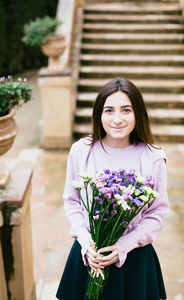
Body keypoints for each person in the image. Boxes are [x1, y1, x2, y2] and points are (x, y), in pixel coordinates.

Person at [56, 77, 169, 300]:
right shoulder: (81, 151)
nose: (117, 119)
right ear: (99, 114)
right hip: (89, 257)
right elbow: (72, 202)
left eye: (126, 110)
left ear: (138, 113)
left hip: (135, 261)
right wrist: (86, 241)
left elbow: (156, 214)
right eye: (109, 110)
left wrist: (122, 246)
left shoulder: (154, 157)